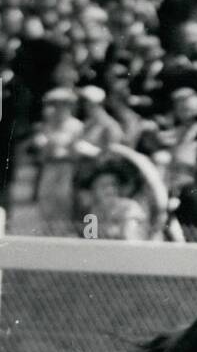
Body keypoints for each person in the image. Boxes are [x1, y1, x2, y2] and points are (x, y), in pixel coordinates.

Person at [30, 88, 83, 233]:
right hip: (49, 166)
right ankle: (46, 233)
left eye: (63, 104)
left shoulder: (76, 126)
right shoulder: (47, 125)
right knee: (46, 199)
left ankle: (62, 234)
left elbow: (76, 149)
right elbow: (41, 146)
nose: (59, 107)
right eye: (56, 104)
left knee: (63, 201)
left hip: (66, 167)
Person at [80, 158, 149, 241]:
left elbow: (130, 241)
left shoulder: (129, 208)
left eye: (114, 185)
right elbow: (90, 243)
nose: (110, 190)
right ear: (93, 190)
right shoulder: (94, 211)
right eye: (103, 186)